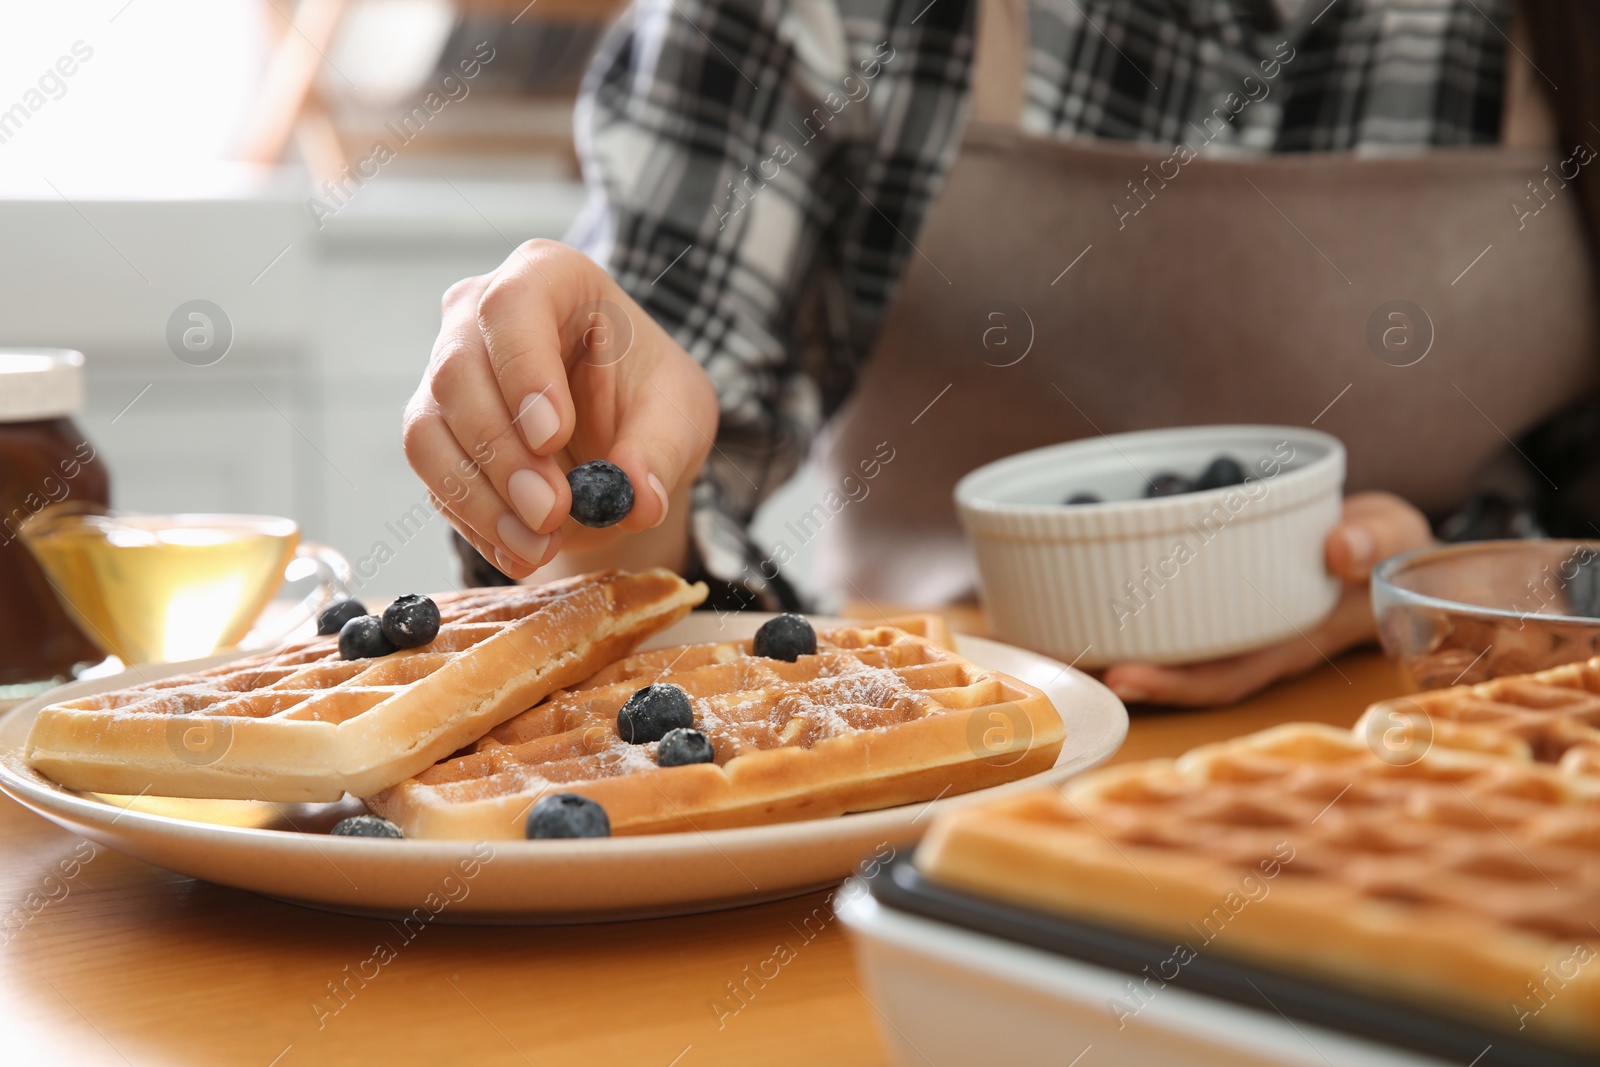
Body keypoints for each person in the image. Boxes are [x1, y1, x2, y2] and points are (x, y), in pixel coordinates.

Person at [404, 0, 1600, 706]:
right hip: (951, 773)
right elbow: (630, 532)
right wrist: (589, 469)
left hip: (1484, 759)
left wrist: (1463, 581)